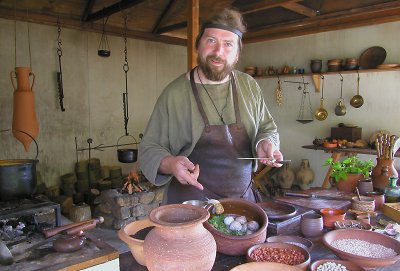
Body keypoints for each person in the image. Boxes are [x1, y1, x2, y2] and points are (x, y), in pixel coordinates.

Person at [138, 8, 283, 204]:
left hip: (242, 204)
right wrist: (171, 164)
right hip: (190, 207)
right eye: (211, 41)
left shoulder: (249, 86)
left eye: (228, 44)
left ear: (238, 54)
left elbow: (267, 128)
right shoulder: (175, 94)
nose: (218, 52)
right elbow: (149, 149)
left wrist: (264, 143)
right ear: (198, 45)